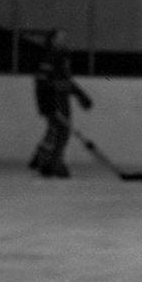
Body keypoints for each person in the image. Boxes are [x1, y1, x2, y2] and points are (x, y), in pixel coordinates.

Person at [29, 28, 92, 178]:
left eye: (65, 37)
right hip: (54, 101)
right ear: (53, 40)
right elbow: (44, 82)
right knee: (60, 132)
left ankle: (43, 160)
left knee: (56, 131)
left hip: (61, 100)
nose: (65, 40)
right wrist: (47, 103)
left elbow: (66, 81)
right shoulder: (50, 57)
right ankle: (53, 164)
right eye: (61, 37)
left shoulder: (63, 57)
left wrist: (80, 95)